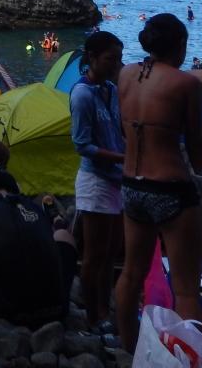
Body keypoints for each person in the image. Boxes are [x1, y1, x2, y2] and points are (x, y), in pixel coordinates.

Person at [114, 13, 202, 353]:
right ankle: (189, 359)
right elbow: (196, 148)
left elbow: (126, 129)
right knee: (185, 289)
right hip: (170, 188)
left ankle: (129, 348)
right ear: (179, 45)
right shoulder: (186, 84)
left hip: (131, 186)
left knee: (130, 274)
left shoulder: (125, 74)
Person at [0, 171, 77, 328]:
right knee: (62, 235)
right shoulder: (36, 209)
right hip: (56, 309)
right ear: (17, 190)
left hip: (10, 314)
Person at [70, 30, 126, 331]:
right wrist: (122, 159)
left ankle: (104, 305)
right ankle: (94, 314)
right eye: (110, 59)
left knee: (111, 252)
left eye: (118, 59)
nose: (116, 65)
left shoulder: (111, 89)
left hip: (117, 179)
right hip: (95, 180)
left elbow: (117, 131)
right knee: (94, 255)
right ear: (91, 58)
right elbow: (82, 145)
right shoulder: (81, 95)